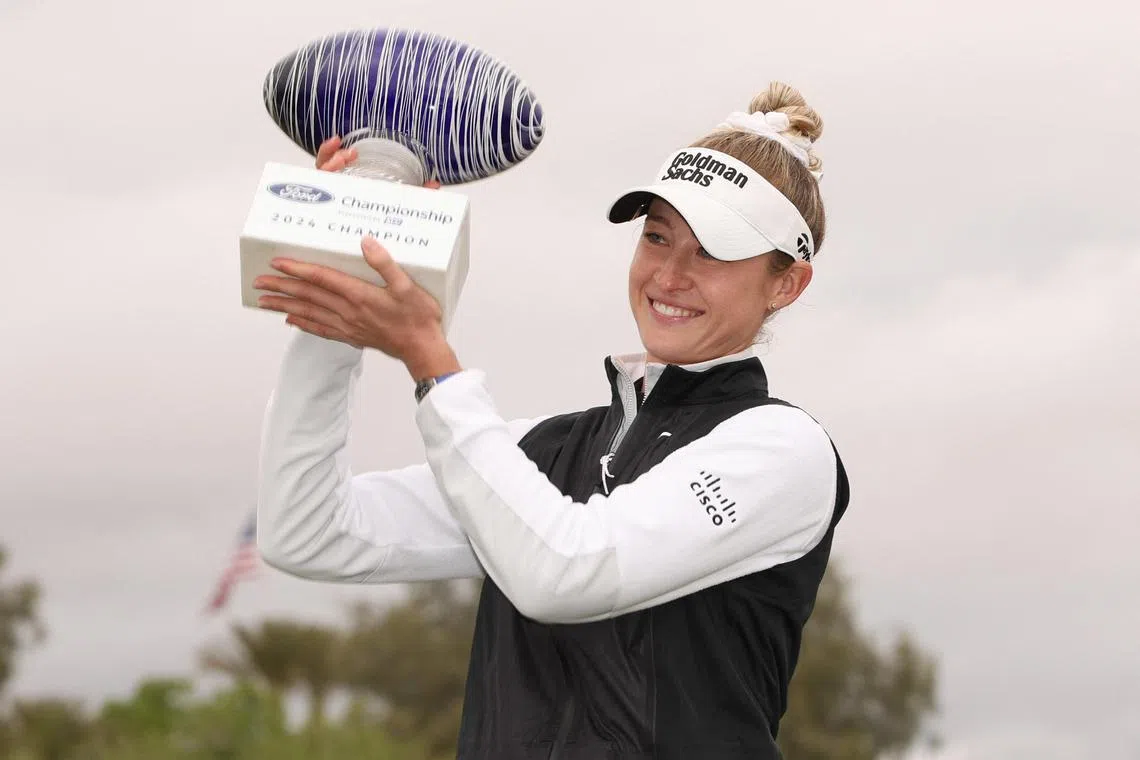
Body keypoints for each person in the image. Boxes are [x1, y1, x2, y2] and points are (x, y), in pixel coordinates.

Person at [253, 81, 850, 760]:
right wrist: (338, 299)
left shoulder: (783, 449)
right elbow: (307, 533)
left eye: (711, 251)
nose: (670, 275)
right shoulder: (541, 454)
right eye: (657, 237)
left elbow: (564, 572)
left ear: (786, 283)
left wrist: (429, 358)